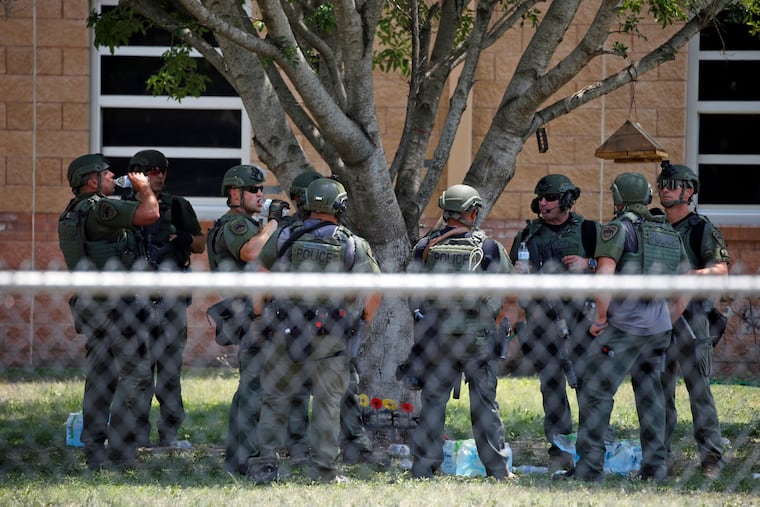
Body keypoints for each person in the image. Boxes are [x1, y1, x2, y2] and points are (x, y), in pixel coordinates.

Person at [249, 177, 382, 484]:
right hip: (332, 334)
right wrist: (364, 319)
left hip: (286, 328)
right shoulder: (352, 243)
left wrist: (258, 314)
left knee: (275, 398)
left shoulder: (285, 236)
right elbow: (376, 289)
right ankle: (323, 471)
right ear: (340, 205)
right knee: (327, 402)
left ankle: (265, 466)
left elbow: (261, 275)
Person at [568, 172, 689, 483]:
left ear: (618, 198)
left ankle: (589, 469)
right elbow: (684, 285)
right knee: (651, 397)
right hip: (658, 329)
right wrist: (668, 320)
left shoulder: (617, 228)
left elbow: (604, 274)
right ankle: (655, 469)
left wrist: (600, 318)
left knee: (595, 393)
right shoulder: (666, 232)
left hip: (622, 329)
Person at [403, 184, 513, 480]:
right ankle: (498, 470)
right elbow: (507, 293)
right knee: (484, 405)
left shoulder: (424, 247)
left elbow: (412, 293)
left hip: (437, 339)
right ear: (473, 211)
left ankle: (424, 467)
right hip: (478, 340)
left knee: (433, 403)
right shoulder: (488, 248)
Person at [58, 153, 160, 470]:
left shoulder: (72, 213)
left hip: (93, 305)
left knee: (100, 377)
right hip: (118, 307)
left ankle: (93, 448)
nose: (113, 175)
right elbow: (150, 213)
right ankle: (121, 450)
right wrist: (143, 188)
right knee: (136, 374)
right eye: (106, 173)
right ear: (92, 181)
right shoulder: (101, 207)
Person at [508, 174, 599, 470]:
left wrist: (590, 264)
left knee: (587, 381)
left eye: (550, 198)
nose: (543, 203)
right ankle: (559, 446)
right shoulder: (528, 235)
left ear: (567, 201)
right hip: (540, 319)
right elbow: (511, 277)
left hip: (580, 319)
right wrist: (518, 271)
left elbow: (613, 267)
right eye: (540, 198)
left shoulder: (588, 231)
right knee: (551, 384)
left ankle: (592, 443)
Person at [205, 164, 290, 475]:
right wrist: (273, 223)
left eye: (261, 189)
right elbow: (253, 252)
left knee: (253, 389)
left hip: (261, 313)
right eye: (253, 190)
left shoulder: (250, 223)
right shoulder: (235, 225)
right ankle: (246, 460)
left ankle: (240, 459)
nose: (259, 194)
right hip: (252, 316)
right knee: (255, 391)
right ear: (234, 194)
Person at [123, 149, 205, 449]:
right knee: (138, 372)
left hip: (170, 299)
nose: (159, 175)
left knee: (169, 372)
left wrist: (182, 239)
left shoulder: (178, 206)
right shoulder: (121, 208)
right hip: (136, 301)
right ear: (137, 173)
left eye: (162, 170)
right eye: (151, 170)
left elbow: (199, 244)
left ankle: (169, 434)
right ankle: (137, 435)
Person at [656, 161, 729, 479]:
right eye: (662, 184)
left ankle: (712, 457)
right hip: (656, 318)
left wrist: (689, 275)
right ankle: (661, 455)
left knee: (698, 391)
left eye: (672, 184)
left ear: (689, 191)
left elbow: (720, 271)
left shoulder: (701, 229)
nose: (664, 189)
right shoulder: (655, 226)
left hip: (693, 319)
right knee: (659, 391)